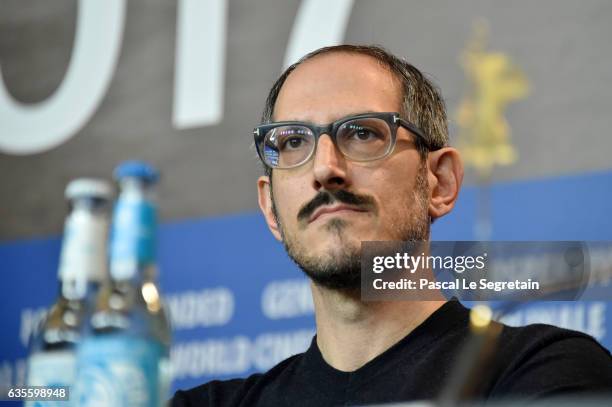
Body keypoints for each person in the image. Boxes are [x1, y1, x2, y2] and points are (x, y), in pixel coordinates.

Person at [172, 45, 612, 406]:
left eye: (362, 134)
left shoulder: (541, 373)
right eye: (292, 142)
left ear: (438, 181)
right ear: (271, 208)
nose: (325, 169)